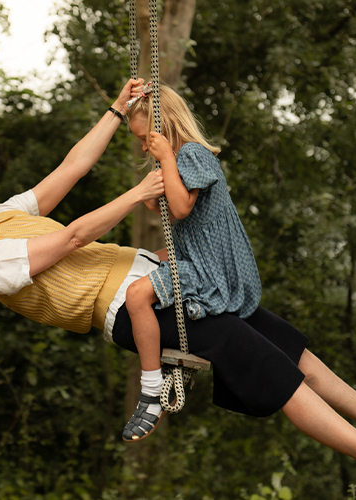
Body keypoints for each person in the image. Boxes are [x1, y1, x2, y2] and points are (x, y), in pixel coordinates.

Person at [0, 79, 356, 500]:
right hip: (129, 308)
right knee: (261, 363)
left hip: (158, 281)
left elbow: (73, 167)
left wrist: (116, 109)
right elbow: (74, 236)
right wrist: (137, 192)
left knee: (279, 337)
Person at [120, 84, 263, 443]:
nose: (143, 146)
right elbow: (161, 207)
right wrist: (152, 183)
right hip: (195, 255)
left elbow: (181, 208)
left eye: (146, 137)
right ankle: (164, 363)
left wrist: (167, 159)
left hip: (209, 265)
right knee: (143, 270)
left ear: (165, 127)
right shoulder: (176, 161)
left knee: (138, 295)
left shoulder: (192, 155)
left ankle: (151, 392)